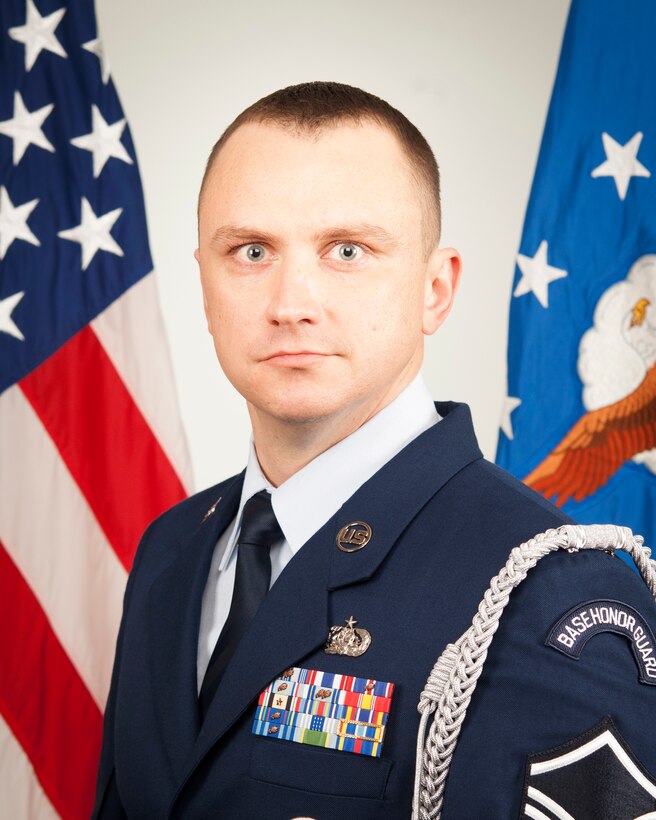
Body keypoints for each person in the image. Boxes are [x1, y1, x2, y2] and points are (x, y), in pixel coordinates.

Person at [93, 82, 656, 819]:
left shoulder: (551, 591)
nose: (292, 301)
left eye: (347, 251)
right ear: (204, 284)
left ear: (435, 289)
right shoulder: (170, 554)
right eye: (251, 250)